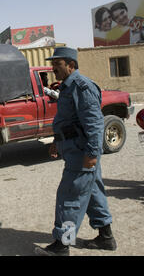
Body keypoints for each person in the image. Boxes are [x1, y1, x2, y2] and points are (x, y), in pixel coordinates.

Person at [35, 47, 116, 256]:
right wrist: (56, 140)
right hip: (74, 150)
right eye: (53, 64)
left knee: (69, 198)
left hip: (82, 154)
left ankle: (63, 245)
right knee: (93, 193)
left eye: (58, 64)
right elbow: (67, 120)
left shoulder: (82, 87)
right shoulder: (68, 87)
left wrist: (91, 154)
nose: (54, 69)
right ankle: (106, 237)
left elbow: (95, 125)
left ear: (71, 65)